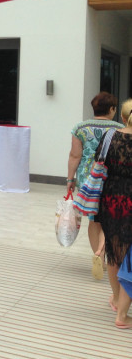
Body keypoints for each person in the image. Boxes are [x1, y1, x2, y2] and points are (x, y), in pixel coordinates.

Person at [67, 92, 124, 278]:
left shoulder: (80, 128)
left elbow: (75, 155)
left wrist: (70, 179)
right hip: (110, 178)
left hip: (88, 180)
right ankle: (103, 253)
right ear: (112, 109)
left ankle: (98, 256)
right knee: (108, 217)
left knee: (94, 219)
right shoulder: (120, 129)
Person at [98, 98, 132, 328]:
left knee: (114, 249)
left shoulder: (110, 136)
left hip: (111, 197)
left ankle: (117, 298)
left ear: (123, 117)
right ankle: (122, 309)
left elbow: (99, 162)